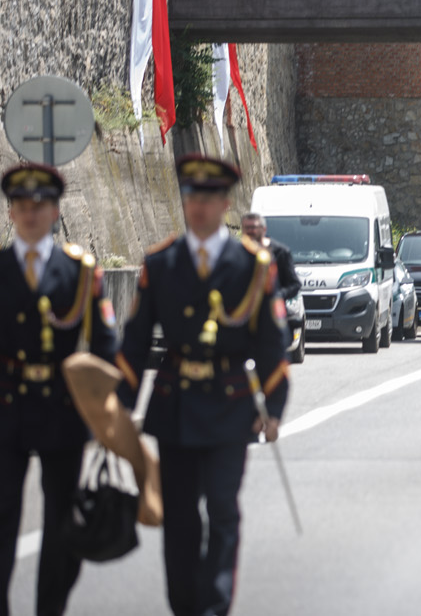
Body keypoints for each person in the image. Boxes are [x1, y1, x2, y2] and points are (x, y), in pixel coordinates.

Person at [115, 154, 289, 616]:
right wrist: (118, 407)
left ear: (225, 203)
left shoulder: (252, 266)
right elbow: (133, 344)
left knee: (223, 508)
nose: (199, 206)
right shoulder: (161, 262)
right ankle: (184, 604)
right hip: (175, 404)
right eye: (192, 195)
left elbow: (273, 344)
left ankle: (213, 605)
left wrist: (273, 407)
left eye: (209, 198)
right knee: (180, 518)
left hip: (231, 405)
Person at [0, 162, 119, 616]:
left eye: (40, 206)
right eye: (22, 206)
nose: (30, 214)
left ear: (55, 212)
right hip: (4, 408)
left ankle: (51, 608)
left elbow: (106, 345)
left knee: (61, 521)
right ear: (10, 213)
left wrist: (105, 410)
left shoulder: (81, 271)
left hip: (63, 411)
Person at [241, 212, 300, 301]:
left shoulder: (281, 252)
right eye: (246, 228)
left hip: (272, 310)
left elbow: (295, 284)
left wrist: (278, 295)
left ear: (264, 229)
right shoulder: (236, 253)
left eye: (253, 227)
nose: (250, 231)